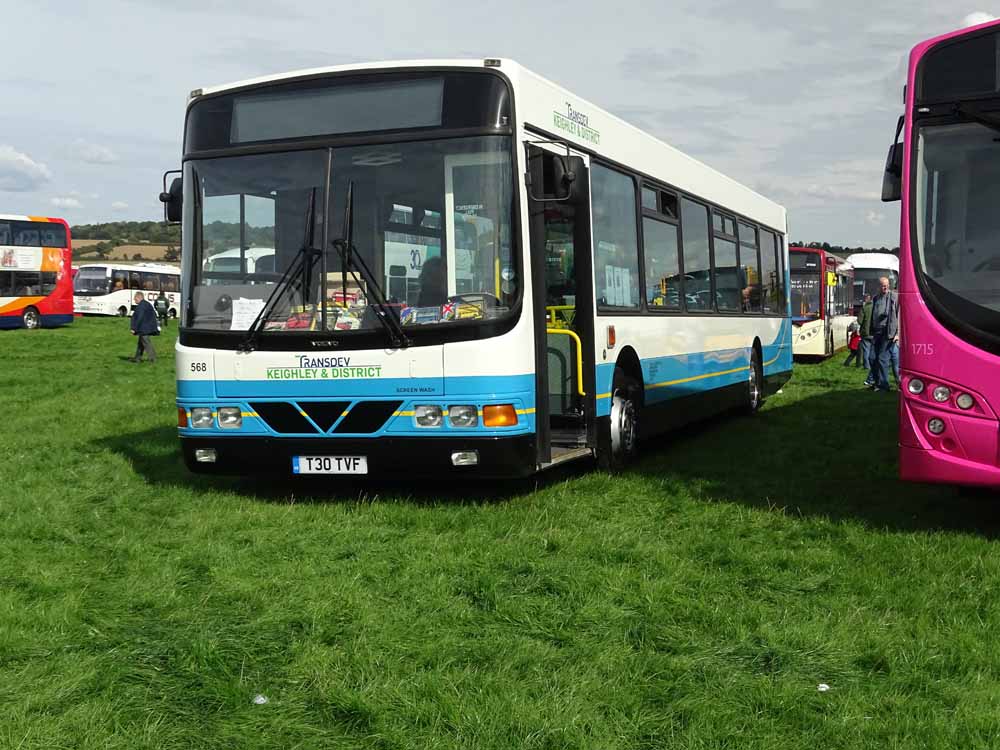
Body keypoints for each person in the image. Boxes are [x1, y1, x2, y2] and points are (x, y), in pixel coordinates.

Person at [869, 277, 899, 392]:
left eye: (886, 285)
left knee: (883, 358)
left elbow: (899, 314)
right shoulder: (876, 298)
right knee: (872, 358)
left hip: (888, 332)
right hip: (877, 332)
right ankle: (877, 383)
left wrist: (897, 334)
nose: (885, 287)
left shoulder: (894, 297)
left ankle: (884, 385)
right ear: (878, 286)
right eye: (882, 285)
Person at [129, 292, 159, 363]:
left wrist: (134, 328)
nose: (134, 299)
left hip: (144, 328)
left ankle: (153, 359)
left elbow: (139, 317)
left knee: (146, 343)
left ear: (139, 297)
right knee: (141, 343)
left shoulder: (141, 306)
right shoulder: (146, 304)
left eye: (135, 298)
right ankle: (137, 358)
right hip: (146, 327)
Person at [857, 293, 875, 387]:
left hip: (865, 333)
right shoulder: (876, 307)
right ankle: (872, 367)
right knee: (874, 350)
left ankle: (867, 366)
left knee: (866, 350)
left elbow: (859, 321)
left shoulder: (864, 308)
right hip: (874, 333)